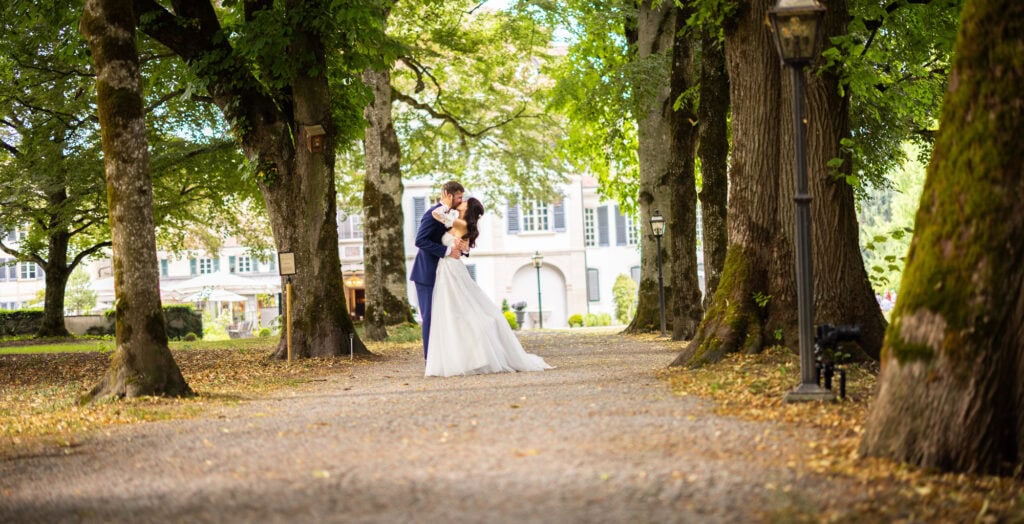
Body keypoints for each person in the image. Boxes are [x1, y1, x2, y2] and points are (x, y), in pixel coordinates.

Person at [424, 197, 553, 377]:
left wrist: (445, 205)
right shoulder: (460, 223)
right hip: (447, 267)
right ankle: (466, 356)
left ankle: (469, 356)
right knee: (454, 310)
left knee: (457, 308)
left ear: (467, 208)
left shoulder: (459, 223)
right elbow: (463, 245)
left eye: (464, 201)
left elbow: (435, 214)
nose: (461, 202)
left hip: (450, 268)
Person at [410, 181, 467, 358]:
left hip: (443, 273)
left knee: (445, 315)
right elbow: (420, 241)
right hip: (426, 273)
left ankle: (444, 356)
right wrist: (448, 251)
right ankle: (431, 359)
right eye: (459, 197)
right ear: (449, 196)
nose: (461, 200)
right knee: (430, 317)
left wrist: (459, 247)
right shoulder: (432, 214)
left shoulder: (448, 215)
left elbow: (446, 237)